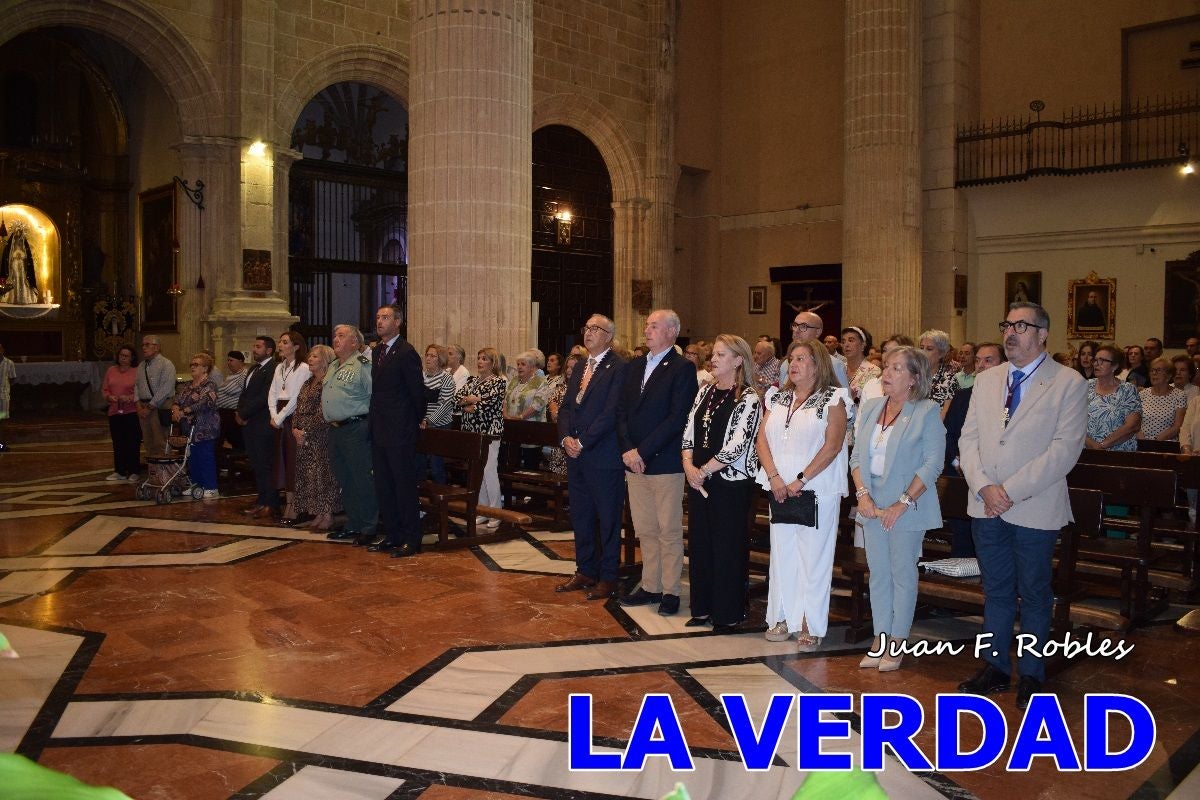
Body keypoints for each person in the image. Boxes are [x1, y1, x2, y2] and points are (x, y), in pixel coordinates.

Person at [958, 302, 1087, 709]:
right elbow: (968, 439)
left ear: (1043, 333)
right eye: (1006, 325)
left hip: (1033, 505)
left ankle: (1032, 673)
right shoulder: (988, 379)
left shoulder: (1068, 382)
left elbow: (1064, 452)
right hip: (985, 503)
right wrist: (983, 485)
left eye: (1021, 326)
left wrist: (1007, 490)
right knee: (995, 590)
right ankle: (995, 667)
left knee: (1033, 592)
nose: (1010, 333)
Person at [850, 346, 944, 671]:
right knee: (878, 575)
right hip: (872, 505)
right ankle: (879, 638)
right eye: (886, 367)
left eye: (896, 369)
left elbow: (934, 463)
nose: (886, 374)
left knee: (902, 574)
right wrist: (862, 494)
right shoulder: (873, 405)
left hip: (907, 507)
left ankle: (896, 643)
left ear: (914, 378)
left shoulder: (926, 411)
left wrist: (903, 501)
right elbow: (856, 457)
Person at [756, 339, 849, 651]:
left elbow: (833, 446)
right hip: (779, 488)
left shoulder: (832, 398)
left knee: (814, 558)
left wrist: (800, 480)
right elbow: (762, 441)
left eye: (801, 359)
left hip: (816, 489)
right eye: (791, 358)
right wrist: (774, 477)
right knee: (782, 556)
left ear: (817, 364)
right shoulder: (778, 397)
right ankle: (782, 616)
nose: (793, 364)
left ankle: (810, 621)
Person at [615, 309, 695, 617]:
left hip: (663, 462)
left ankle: (671, 590)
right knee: (645, 529)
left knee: (668, 530)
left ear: (672, 331)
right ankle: (650, 585)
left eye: (653, 325)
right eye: (647, 325)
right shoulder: (635, 365)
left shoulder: (681, 368)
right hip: (633, 461)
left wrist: (642, 452)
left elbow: (677, 418)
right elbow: (620, 411)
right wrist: (628, 450)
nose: (646, 330)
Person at [682, 334, 761, 631]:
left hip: (729, 483)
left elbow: (737, 446)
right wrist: (689, 465)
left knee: (727, 547)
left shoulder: (749, 397)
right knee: (701, 545)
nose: (713, 360)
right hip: (699, 479)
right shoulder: (705, 392)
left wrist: (702, 471)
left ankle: (727, 613)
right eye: (713, 354)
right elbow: (688, 431)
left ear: (738, 360)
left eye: (720, 355)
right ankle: (702, 608)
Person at [555, 314, 628, 601]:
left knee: (607, 518)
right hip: (577, 455)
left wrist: (583, 441)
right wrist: (565, 439)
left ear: (608, 335)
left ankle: (608, 576)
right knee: (582, 515)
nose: (588, 332)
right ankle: (585, 568)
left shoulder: (618, 367)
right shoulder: (582, 365)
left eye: (595, 329)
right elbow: (565, 408)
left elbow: (611, 412)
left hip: (603, 455)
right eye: (586, 328)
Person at [368, 305, 428, 557]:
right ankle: (392, 534)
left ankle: (412, 538)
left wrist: (412, 422)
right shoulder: (378, 351)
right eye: (378, 317)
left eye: (385, 317)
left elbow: (418, 394)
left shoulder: (406, 352)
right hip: (380, 428)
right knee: (384, 485)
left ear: (398, 322)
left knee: (403, 486)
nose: (379, 321)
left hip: (400, 431)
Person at [942, 342, 1006, 557]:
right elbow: (949, 435)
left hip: (996, 479)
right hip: (962, 475)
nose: (981, 365)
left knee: (992, 546)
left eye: (988, 360)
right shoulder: (963, 396)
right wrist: (957, 461)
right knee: (962, 540)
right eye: (978, 360)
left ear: (1004, 364)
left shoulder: (1009, 398)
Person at [323, 325, 378, 544]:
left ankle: (368, 526)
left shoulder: (363, 365)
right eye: (335, 335)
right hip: (336, 430)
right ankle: (353, 523)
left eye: (342, 336)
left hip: (356, 428)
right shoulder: (334, 365)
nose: (336, 339)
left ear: (354, 342)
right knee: (345, 479)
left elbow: (375, 396)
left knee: (361, 478)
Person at [455, 347, 508, 529]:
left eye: (484, 358)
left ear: (493, 363)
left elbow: (488, 405)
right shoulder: (472, 380)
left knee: (489, 471)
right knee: (478, 471)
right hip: (472, 432)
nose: (480, 361)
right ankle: (483, 510)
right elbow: (457, 399)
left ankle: (496, 512)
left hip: (490, 432)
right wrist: (470, 401)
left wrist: (472, 403)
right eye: (478, 358)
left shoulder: (499, 382)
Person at [290, 344, 339, 531]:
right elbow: (298, 406)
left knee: (322, 475)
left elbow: (323, 411)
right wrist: (295, 428)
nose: (310, 359)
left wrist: (306, 431)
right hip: (302, 435)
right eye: (310, 356)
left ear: (326, 360)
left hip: (320, 435)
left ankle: (327, 514)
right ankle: (317, 512)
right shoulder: (307, 382)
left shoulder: (328, 382)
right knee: (308, 476)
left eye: (315, 356)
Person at [270, 331, 311, 525]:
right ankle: (287, 501)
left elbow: (296, 397)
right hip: (279, 417)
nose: (280, 345)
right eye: (280, 341)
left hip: (293, 416)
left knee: (294, 460)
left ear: (296, 346)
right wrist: (273, 414)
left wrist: (279, 416)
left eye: (284, 342)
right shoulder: (279, 367)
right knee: (282, 461)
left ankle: (296, 505)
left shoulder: (303, 368)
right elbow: (272, 393)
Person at [238, 336, 279, 518]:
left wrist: (245, 413)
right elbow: (245, 394)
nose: (254, 349)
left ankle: (270, 501)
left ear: (269, 350)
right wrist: (239, 412)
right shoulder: (254, 368)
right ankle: (261, 500)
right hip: (249, 423)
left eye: (258, 346)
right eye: (254, 346)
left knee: (265, 464)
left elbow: (265, 396)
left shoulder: (273, 368)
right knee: (256, 464)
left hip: (262, 422)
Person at [171, 352, 220, 499]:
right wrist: (175, 409)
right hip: (189, 428)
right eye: (191, 364)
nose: (192, 367)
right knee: (192, 457)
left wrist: (185, 410)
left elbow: (206, 402)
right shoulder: (187, 386)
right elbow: (176, 400)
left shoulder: (210, 384)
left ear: (205, 368)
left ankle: (211, 487)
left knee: (205, 457)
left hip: (205, 427)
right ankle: (196, 485)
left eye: (196, 364)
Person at [1085, 345, 1142, 452]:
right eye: (1095, 360)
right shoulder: (1085, 386)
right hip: (1086, 450)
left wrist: (1103, 445)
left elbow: (1133, 425)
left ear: (1115, 366)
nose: (1097, 364)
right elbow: (1073, 421)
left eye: (1102, 360)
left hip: (1118, 454)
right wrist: (1091, 444)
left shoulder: (1127, 390)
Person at [102, 345, 141, 482]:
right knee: (118, 442)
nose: (123, 358)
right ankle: (120, 470)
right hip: (115, 411)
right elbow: (105, 389)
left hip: (131, 411)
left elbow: (139, 391)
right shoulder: (111, 370)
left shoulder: (136, 371)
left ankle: (134, 470)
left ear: (132, 358)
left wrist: (129, 398)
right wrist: (109, 397)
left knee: (132, 442)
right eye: (121, 355)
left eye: (126, 356)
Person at [545, 347, 587, 475]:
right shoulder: (562, 387)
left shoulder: (584, 388)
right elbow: (552, 401)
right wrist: (554, 410)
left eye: (572, 368)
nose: (569, 371)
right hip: (563, 436)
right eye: (567, 367)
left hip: (577, 439)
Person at [419, 344, 456, 484]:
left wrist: (428, 421)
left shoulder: (446, 378)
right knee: (419, 465)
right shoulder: (420, 376)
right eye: (427, 355)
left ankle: (440, 501)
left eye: (432, 356)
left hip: (439, 426)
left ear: (440, 359)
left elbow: (445, 405)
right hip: (421, 426)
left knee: (436, 467)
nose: (428, 358)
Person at [504, 350, 548, 469]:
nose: (519, 367)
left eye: (523, 364)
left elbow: (538, 404)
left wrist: (520, 417)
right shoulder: (513, 381)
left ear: (532, 367)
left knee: (530, 465)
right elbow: (504, 399)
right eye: (518, 364)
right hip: (513, 429)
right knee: (513, 464)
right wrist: (506, 415)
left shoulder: (540, 382)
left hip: (531, 429)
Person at [135, 335, 176, 457]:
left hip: (159, 407)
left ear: (157, 347)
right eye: (143, 345)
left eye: (147, 344)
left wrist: (150, 407)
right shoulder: (142, 365)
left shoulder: (166, 364)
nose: (143, 347)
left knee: (161, 441)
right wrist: (138, 406)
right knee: (148, 442)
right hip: (143, 408)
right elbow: (136, 385)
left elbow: (166, 388)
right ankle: (153, 473)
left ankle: (163, 474)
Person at [791, 311, 848, 387]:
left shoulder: (833, 365)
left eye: (803, 326)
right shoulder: (786, 364)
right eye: (795, 325)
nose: (796, 330)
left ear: (818, 332)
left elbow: (843, 397)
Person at [1138, 357, 1186, 443]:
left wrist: (1156, 441)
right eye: (1152, 370)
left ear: (1169, 375)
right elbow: (1135, 422)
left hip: (1166, 444)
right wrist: (1143, 441)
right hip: (1141, 443)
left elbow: (1177, 426)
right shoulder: (1142, 394)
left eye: (1158, 370)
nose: (1154, 373)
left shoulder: (1179, 395)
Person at [919, 328, 958, 415]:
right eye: (921, 348)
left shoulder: (949, 379)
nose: (923, 352)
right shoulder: (914, 375)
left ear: (941, 353)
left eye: (929, 349)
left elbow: (945, 412)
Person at [216, 350, 247, 452]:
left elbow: (239, 391)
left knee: (235, 441)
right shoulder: (231, 375)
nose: (228, 363)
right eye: (228, 360)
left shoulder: (244, 375)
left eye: (231, 360)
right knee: (221, 441)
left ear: (241, 361)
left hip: (232, 413)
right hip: (223, 412)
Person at [840, 326, 879, 403]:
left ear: (863, 345)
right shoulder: (838, 368)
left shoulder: (874, 372)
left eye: (851, 340)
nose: (846, 345)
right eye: (843, 341)